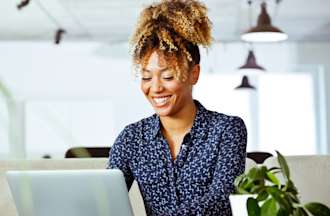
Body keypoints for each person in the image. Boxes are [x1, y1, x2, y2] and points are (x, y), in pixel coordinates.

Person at [107, 0, 247, 215]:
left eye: (168, 76)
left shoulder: (227, 129)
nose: (155, 88)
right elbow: (106, 199)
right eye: (146, 77)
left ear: (194, 74)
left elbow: (222, 197)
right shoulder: (132, 138)